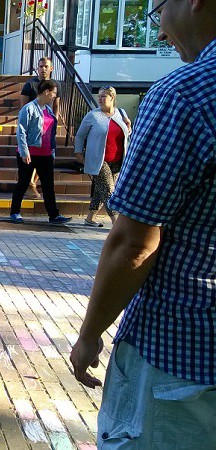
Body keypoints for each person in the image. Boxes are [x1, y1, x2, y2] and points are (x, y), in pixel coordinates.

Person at [69, 0, 216, 447]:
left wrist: (89, 336)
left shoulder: (184, 95)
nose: (159, 29)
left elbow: (134, 243)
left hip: (179, 359)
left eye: (158, 8)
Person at [10, 79, 71, 224]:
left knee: (48, 185)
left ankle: (53, 215)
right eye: (54, 93)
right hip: (30, 153)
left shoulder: (48, 109)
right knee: (23, 182)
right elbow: (21, 131)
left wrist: (52, 150)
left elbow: (51, 132)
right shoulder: (29, 108)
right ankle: (15, 212)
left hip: (46, 153)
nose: (55, 96)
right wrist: (24, 152)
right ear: (46, 92)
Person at [73, 86, 131, 227]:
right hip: (98, 159)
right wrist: (78, 152)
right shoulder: (93, 115)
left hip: (117, 159)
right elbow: (80, 135)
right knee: (109, 190)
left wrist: (129, 127)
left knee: (102, 190)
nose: (100, 99)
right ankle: (116, 222)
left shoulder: (121, 113)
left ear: (112, 98)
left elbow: (125, 135)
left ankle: (90, 218)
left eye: (104, 96)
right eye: (99, 96)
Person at [20, 57, 61, 199]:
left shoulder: (55, 85)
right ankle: (29, 184)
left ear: (51, 68)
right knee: (34, 156)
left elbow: (56, 106)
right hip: (34, 128)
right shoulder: (30, 85)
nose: (43, 69)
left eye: (46, 66)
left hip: (49, 127)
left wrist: (54, 124)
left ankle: (33, 182)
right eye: (40, 66)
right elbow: (23, 106)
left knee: (49, 155)